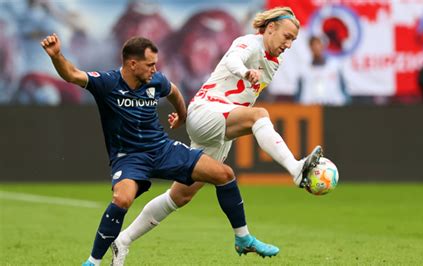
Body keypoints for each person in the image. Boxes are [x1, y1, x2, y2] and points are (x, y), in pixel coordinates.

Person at [41, 34, 279, 266]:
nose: (154, 69)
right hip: (129, 157)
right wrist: (57, 55)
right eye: (150, 64)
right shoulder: (108, 83)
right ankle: (93, 262)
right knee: (122, 199)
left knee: (224, 174)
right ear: (132, 64)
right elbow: (72, 74)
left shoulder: (155, 80)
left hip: (161, 148)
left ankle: (242, 238)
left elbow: (174, 91)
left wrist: (183, 116)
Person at [112, 6, 323, 265]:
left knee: (181, 195)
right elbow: (234, 61)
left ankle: (123, 240)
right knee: (260, 115)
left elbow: (240, 94)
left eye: (293, 40)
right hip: (206, 111)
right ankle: (296, 169)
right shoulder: (248, 43)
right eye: (286, 36)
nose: (288, 44)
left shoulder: (273, 62)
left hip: (220, 125)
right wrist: (245, 72)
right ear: (270, 29)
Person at [299, 34, 349, 106]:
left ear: (323, 46)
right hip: (310, 108)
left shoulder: (334, 66)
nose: (316, 48)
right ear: (310, 47)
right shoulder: (304, 69)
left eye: (318, 44)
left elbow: (343, 89)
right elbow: (300, 92)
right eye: (314, 45)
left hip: (334, 107)